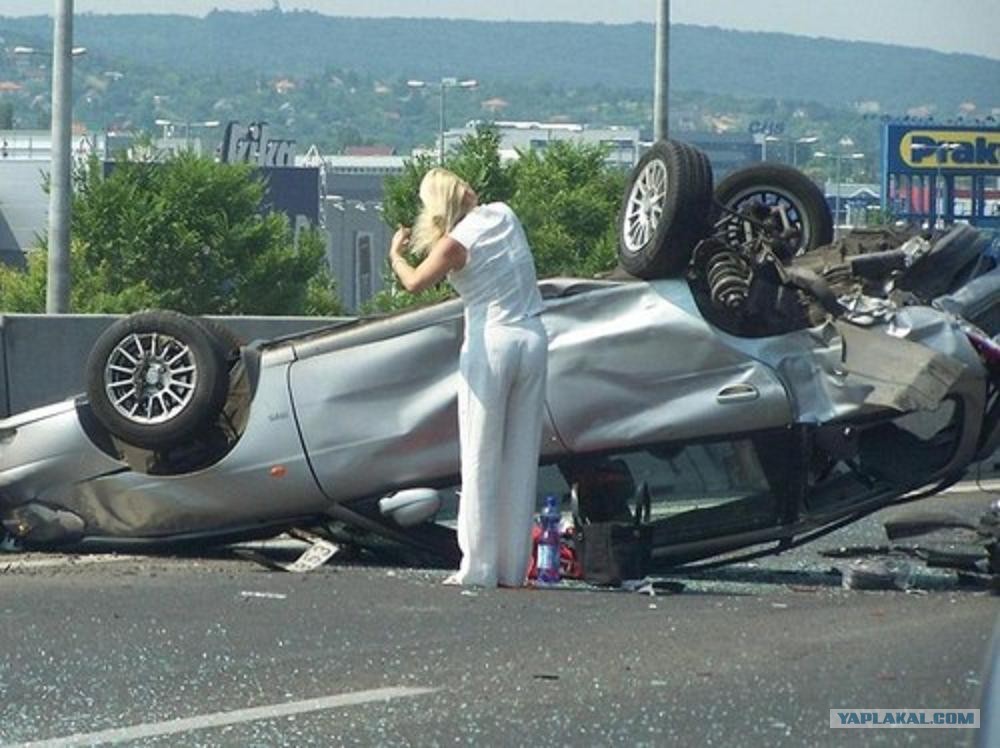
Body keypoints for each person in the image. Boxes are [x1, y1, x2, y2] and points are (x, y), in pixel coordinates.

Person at [388, 167, 548, 588]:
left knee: (481, 454)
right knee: (521, 456)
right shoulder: (504, 214)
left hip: (490, 341)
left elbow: (414, 283)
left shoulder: (453, 246)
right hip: (533, 337)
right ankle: (513, 567)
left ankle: (478, 567)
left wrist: (396, 255)